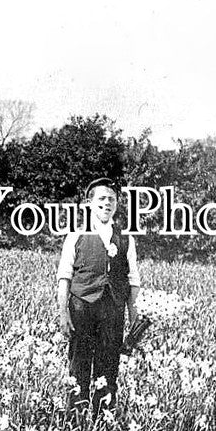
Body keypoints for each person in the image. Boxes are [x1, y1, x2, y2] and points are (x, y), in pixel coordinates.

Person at [57, 177, 141, 413]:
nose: (107, 203)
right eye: (102, 199)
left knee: (109, 366)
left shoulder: (126, 238)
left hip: (113, 309)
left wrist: (134, 319)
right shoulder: (75, 235)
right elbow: (64, 277)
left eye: (111, 199)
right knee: (79, 365)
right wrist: (63, 313)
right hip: (82, 306)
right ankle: (75, 418)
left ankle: (104, 421)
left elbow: (133, 281)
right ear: (89, 203)